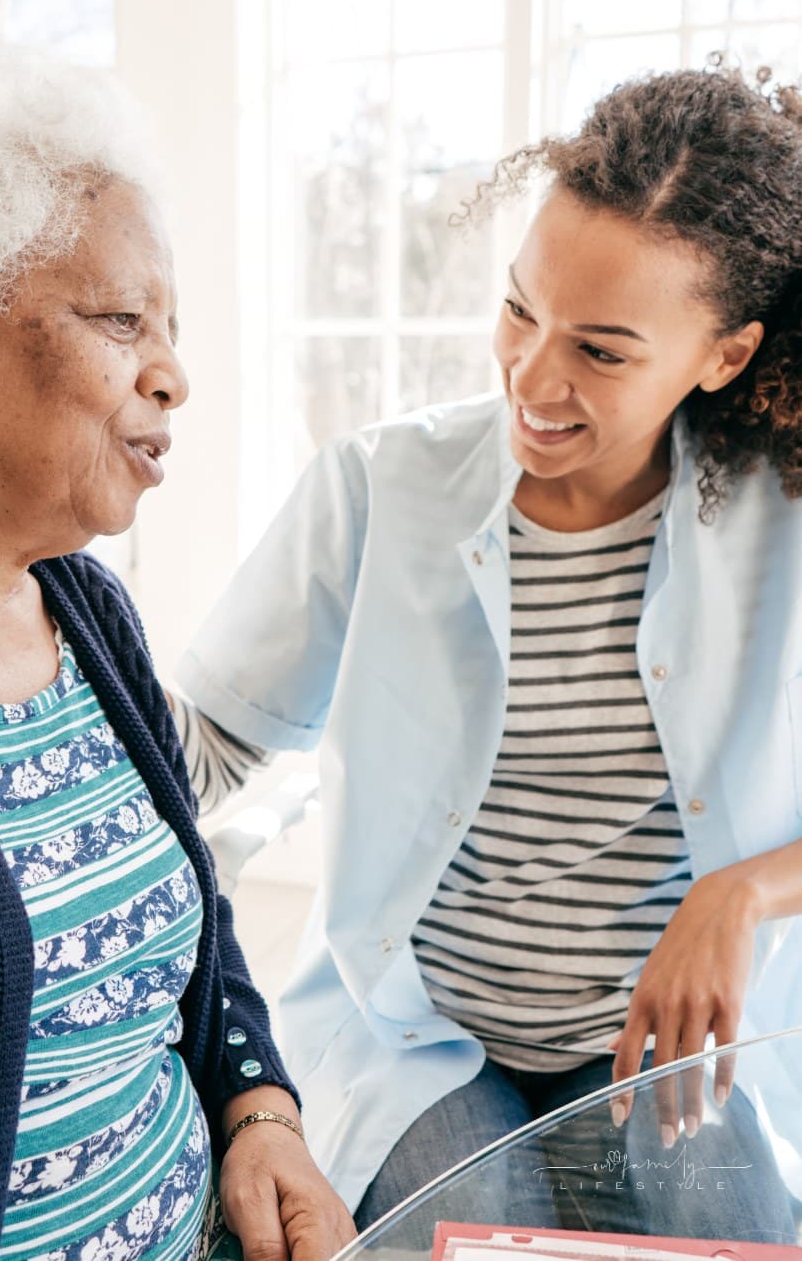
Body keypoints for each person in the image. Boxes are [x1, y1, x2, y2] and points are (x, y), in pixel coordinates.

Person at [173, 61, 802, 1241]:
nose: (531, 376)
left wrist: (744, 890)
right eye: (520, 309)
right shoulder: (378, 487)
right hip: (422, 1037)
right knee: (467, 1214)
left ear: (723, 357)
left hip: (663, 1048)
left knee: (736, 1227)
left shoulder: (784, 519)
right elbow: (204, 744)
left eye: (603, 353)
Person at [0, 44, 354, 1261]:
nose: (174, 373)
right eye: (120, 321)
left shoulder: (85, 610)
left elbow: (191, 908)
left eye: (172, 327)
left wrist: (261, 1111)